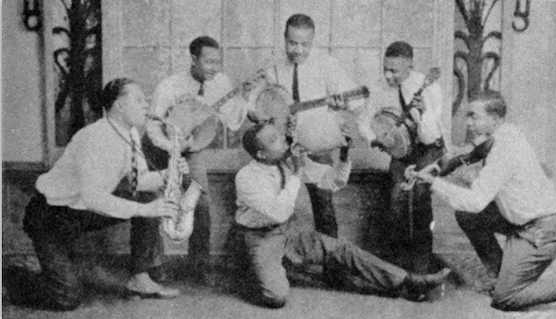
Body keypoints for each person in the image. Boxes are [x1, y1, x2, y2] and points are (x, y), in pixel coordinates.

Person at [234, 87, 450, 309]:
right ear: (261, 154)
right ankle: (260, 268)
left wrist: (345, 153)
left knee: (344, 250)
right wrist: (297, 172)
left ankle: (410, 282)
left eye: (279, 136)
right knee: (276, 298)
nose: (282, 140)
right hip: (261, 238)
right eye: (273, 140)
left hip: (290, 231)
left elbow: (332, 181)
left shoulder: (289, 161)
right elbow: (277, 211)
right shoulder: (247, 177)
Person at [410, 90, 556, 311]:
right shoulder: (507, 132)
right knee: (468, 217)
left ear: (494, 119)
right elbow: (475, 151)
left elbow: (476, 201)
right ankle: (501, 274)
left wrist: (433, 182)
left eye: (473, 116)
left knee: (505, 298)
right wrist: (442, 166)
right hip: (523, 222)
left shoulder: (503, 151)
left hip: (544, 231)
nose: (468, 123)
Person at [11, 78, 182, 311]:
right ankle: (11, 276)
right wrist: (145, 210)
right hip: (50, 217)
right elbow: (93, 197)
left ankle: (139, 279)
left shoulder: (129, 133)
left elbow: (138, 181)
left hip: (83, 212)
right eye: (139, 99)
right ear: (119, 106)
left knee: (148, 198)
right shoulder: (93, 137)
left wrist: (167, 174)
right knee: (66, 298)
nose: (146, 104)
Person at [146, 36, 253, 270]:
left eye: (218, 62)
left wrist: (242, 98)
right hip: (161, 147)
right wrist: (172, 148)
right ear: (194, 59)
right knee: (158, 201)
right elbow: (153, 127)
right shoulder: (170, 85)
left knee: (200, 200)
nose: (215, 68)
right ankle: (153, 266)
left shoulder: (221, 82)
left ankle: (200, 265)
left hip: (193, 150)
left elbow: (232, 121)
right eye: (209, 62)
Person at [263, 13, 362, 238]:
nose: (298, 50)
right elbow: (262, 104)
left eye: (305, 44)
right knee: (277, 208)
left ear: (313, 41)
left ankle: (333, 269)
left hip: (316, 146)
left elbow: (358, 101)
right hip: (281, 148)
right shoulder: (273, 66)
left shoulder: (327, 64)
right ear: (284, 38)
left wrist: (342, 104)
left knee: (323, 210)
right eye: (292, 43)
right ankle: (284, 265)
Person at [360, 41, 445, 273]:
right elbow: (364, 120)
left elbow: (431, 135)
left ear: (410, 66)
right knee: (396, 200)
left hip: (428, 149)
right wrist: (376, 138)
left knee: (419, 198)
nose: (388, 75)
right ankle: (397, 268)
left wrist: (423, 113)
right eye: (385, 68)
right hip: (402, 150)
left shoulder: (428, 87)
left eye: (394, 71)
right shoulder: (379, 87)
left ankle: (421, 265)